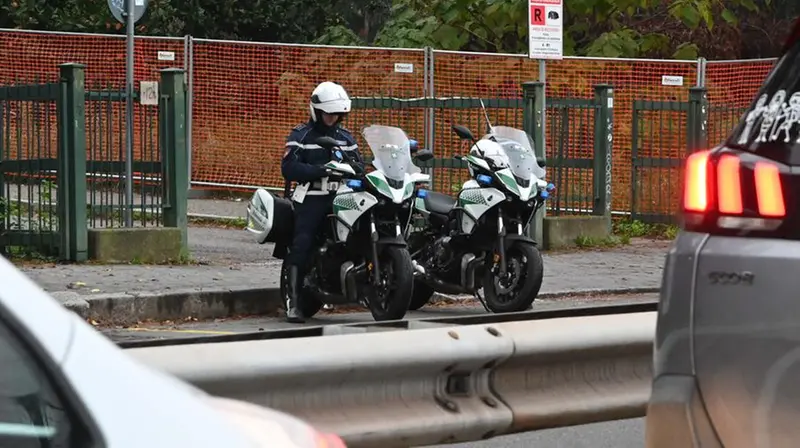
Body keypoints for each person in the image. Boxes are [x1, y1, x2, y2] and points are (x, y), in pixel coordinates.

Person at [280, 81, 365, 323]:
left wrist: (356, 170)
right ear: (317, 111)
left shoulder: (346, 138)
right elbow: (289, 168)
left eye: (336, 114)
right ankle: (294, 302)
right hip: (313, 196)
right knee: (303, 241)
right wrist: (321, 170)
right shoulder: (301, 135)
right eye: (328, 113)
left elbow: (359, 165)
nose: (332, 118)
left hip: (344, 194)